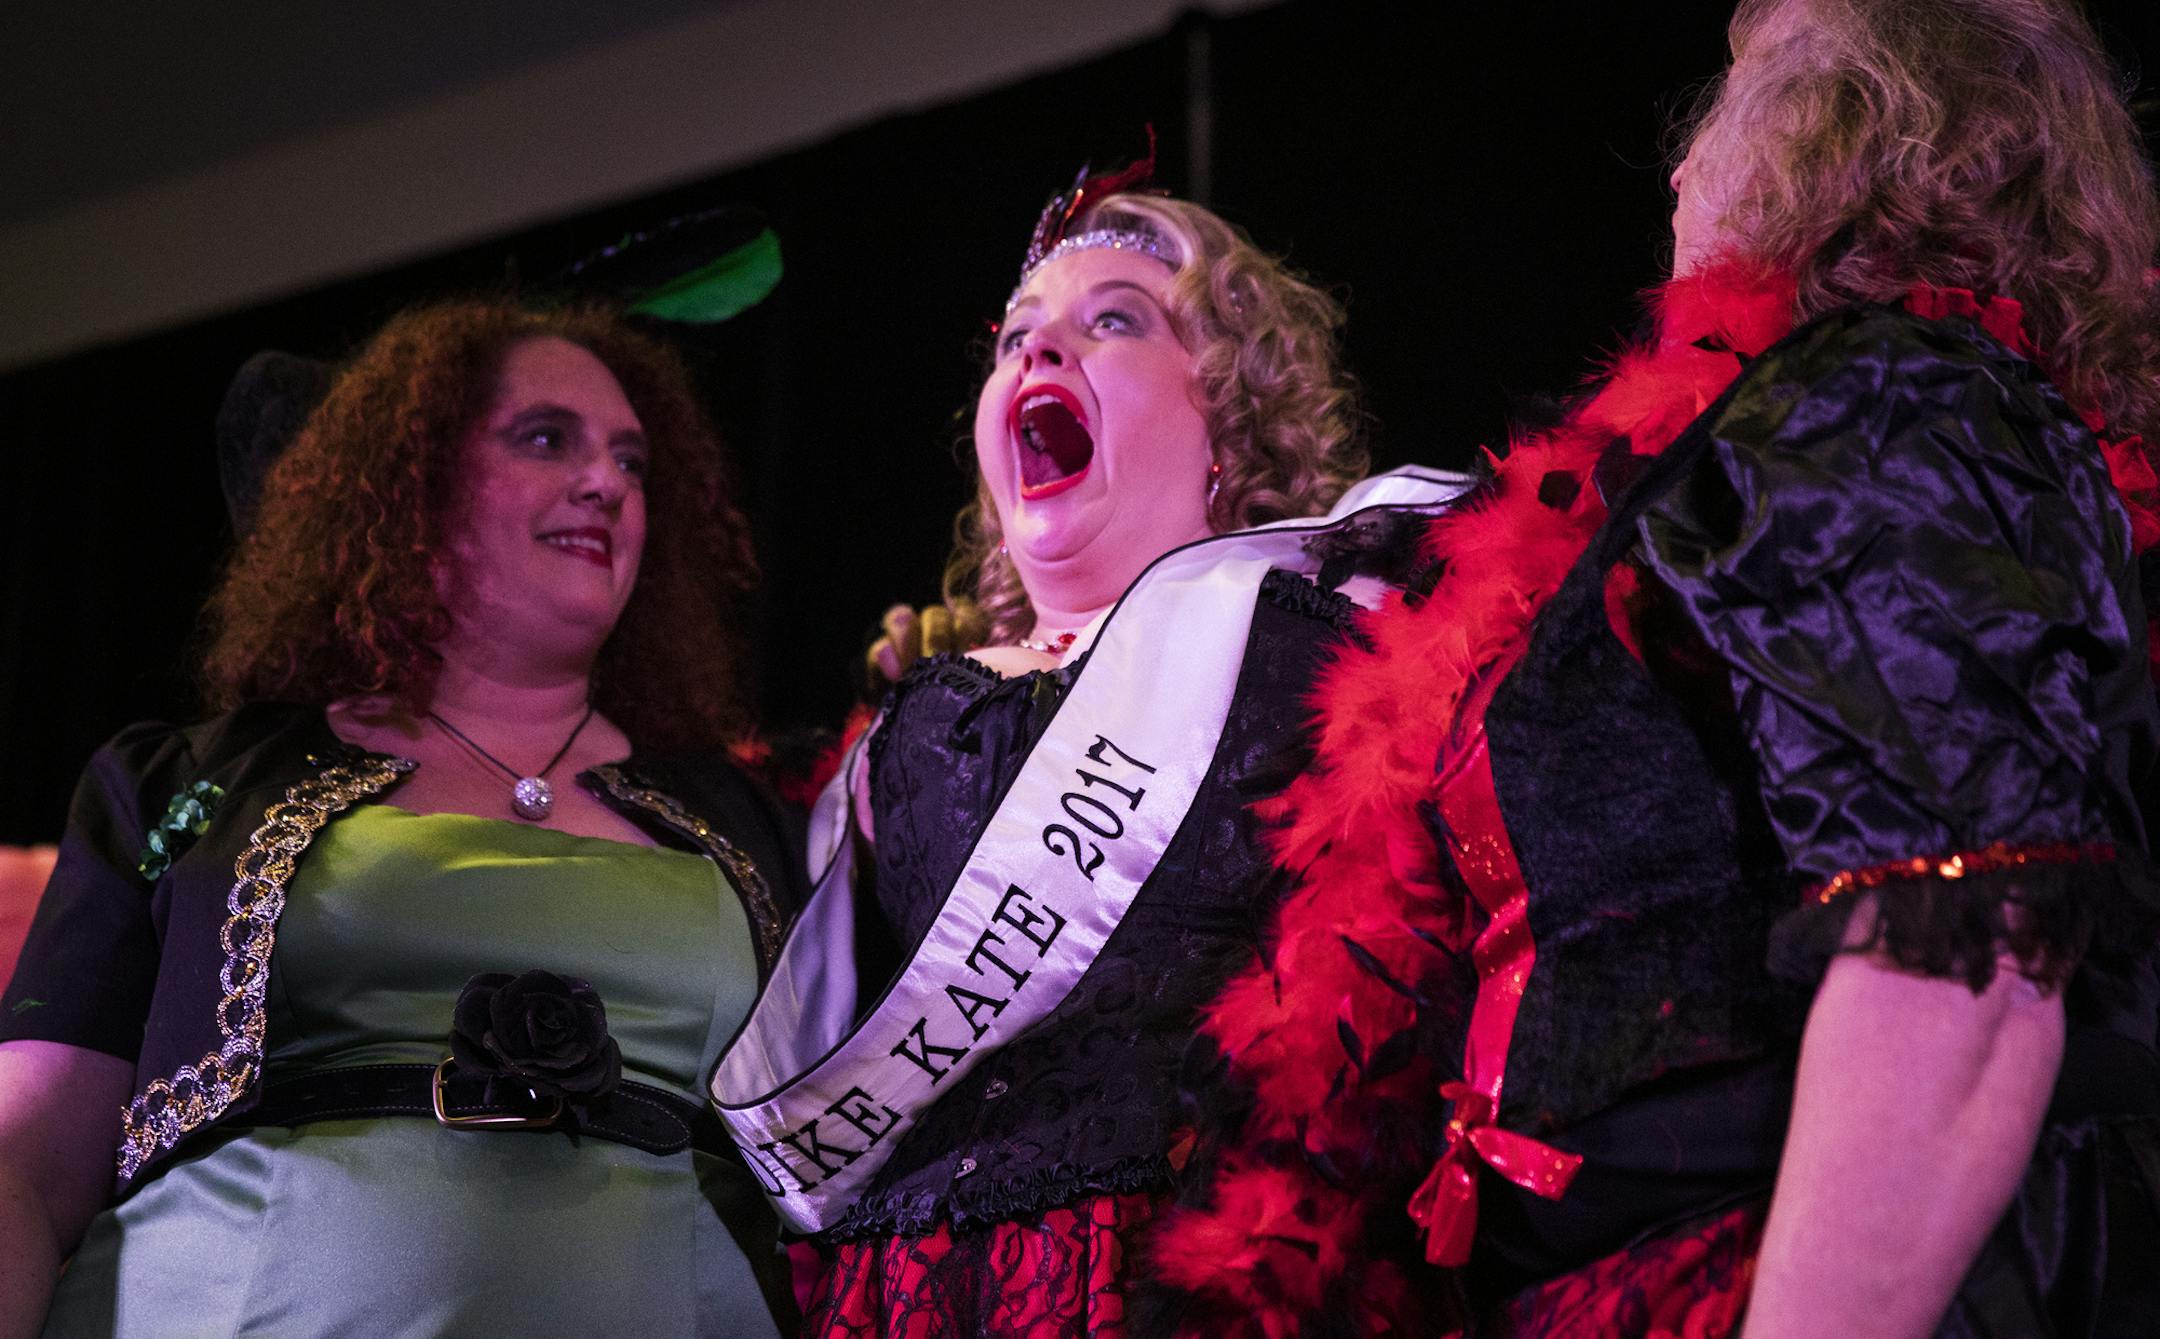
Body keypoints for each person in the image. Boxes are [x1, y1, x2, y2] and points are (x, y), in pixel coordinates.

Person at [1147, 1, 2160, 1335]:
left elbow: (1965, 955)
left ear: (1839, 132)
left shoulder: (1892, 393)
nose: (1679, 165)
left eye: (1731, 100)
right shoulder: (1802, 426)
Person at [705, 166, 1468, 1336]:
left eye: (1112, 320)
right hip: (902, 1293)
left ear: (1228, 407)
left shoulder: (1317, 650)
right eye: (1016, 337)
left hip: (1184, 1281)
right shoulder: (914, 719)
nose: (1037, 357)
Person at [0, 299, 804, 1338]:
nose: (607, 482)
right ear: (413, 481)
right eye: (547, 437)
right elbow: (23, 1168)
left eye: (634, 462)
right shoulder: (191, 780)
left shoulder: (752, 820)